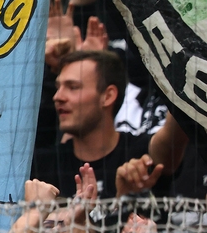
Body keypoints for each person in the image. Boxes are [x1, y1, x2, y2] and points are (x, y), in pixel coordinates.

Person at [33, 49, 187, 198]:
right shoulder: (42, 167)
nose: (57, 97)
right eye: (58, 87)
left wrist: (187, 78)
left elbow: (173, 136)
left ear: (108, 96)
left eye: (73, 87)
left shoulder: (141, 156)